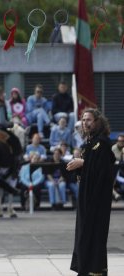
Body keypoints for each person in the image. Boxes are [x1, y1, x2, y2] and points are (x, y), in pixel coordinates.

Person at [67, 108, 115, 276]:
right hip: (86, 198)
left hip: (98, 200)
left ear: (97, 122)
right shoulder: (89, 143)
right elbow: (87, 171)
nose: (85, 123)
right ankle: (85, 269)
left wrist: (83, 163)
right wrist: (79, 166)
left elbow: (103, 171)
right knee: (84, 235)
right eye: (83, 119)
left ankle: (94, 271)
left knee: (94, 236)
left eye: (89, 120)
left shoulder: (102, 143)